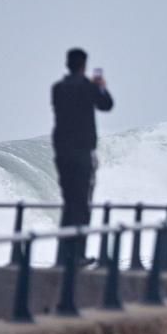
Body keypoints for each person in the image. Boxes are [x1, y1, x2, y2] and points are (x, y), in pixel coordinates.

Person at [51, 47, 113, 264]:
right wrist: (101, 88)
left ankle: (64, 254)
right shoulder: (88, 87)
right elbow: (106, 105)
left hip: (62, 153)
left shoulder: (57, 88)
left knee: (69, 203)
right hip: (81, 153)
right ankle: (77, 254)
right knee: (81, 204)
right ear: (83, 66)